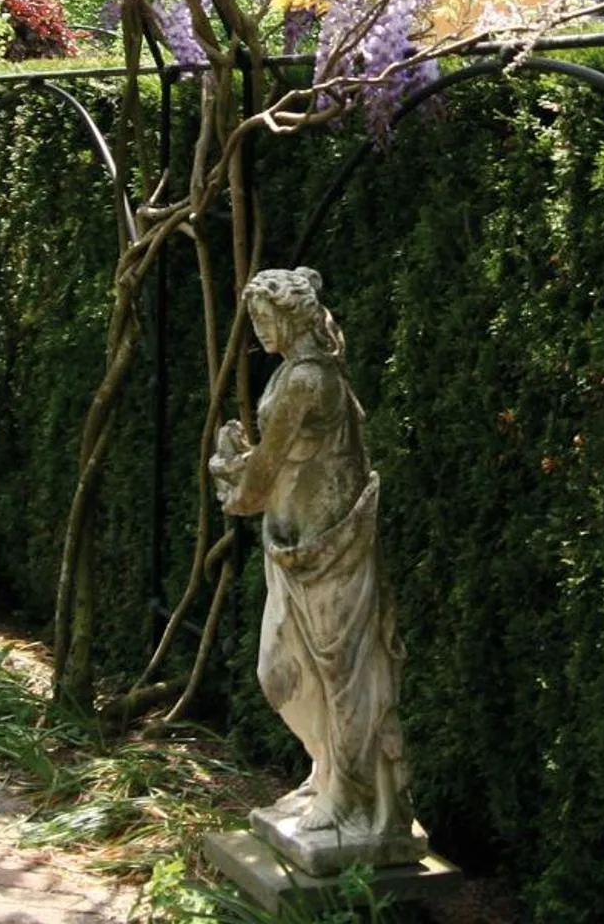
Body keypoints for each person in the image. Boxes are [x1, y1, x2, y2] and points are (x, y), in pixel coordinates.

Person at [210, 267, 419, 860]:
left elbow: (262, 477)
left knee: (343, 675)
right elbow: (281, 463)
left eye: (262, 319)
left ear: (291, 318)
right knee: (281, 670)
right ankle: (327, 771)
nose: (256, 330)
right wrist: (245, 471)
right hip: (294, 543)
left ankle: (348, 798)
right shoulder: (295, 373)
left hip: (330, 549)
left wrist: (232, 480)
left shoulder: (306, 380)